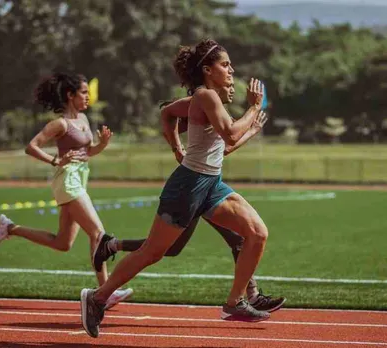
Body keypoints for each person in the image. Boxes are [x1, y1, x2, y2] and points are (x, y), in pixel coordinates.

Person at [81, 39, 274, 338]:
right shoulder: (206, 96)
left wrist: (177, 147)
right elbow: (232, 136)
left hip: (211, 184)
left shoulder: (209, 100)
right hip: (188, 185)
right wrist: (253, 108)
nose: (231, 69)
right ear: (208, 70)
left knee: (257, 233)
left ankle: (235, 302)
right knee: (152, 253)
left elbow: (168, 114)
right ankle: (97, 297)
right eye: (225, 65)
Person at [92, 85, 286, 314]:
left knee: (237, 237)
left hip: (209, 186)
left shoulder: (215, 110)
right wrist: (177, 147)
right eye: (227, 71)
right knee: (163, 249)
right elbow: (225, 142)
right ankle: (104, 277)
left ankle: (245, 298)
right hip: (193, 186)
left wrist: (177, 146)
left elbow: (222, 142)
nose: (232, 82)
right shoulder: (203, 103)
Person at [0, 72, 132, 310]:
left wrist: (102, 145)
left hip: (79, 179)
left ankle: (9, 227)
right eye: (83, 93)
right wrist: (56, 161)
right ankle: (106, 292)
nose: (88, 97)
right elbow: (31, 147)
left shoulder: (84, 119)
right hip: (67, 181)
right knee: (98, 234)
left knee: (63, 243)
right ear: (70, 95)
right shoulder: (60, 124)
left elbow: (87, 153)